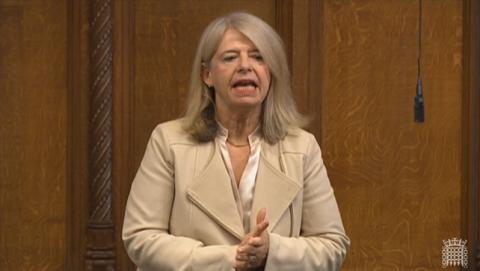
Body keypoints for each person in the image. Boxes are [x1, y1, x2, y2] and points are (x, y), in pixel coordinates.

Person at [122, 12, 349, 271]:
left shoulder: (302, 147)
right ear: (207, 75)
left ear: (271, 73)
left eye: (258, 57)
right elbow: (140, 237)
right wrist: (230, 258)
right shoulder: (168, 140)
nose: (245, 66)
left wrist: (271, 251)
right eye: (230, 57)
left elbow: (333, 245)